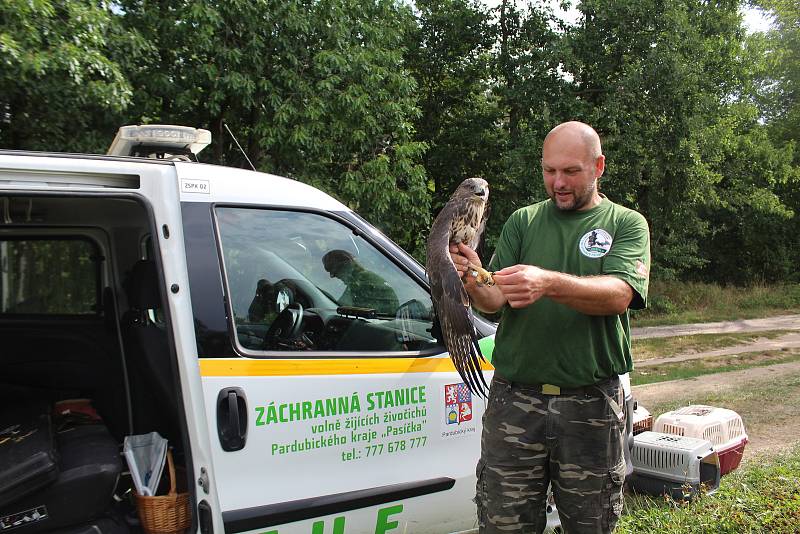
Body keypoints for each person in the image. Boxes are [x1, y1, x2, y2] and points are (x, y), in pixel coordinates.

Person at [451, 121, 651, 533]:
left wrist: (547, 282)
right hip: (515, 403)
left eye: (570, 172)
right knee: (503, 523)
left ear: (599, 167)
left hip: (591, 405)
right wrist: (471, 276)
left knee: (590, 524)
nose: (557, 182)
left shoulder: (626, 223)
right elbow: (494, 300)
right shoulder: (523, 221)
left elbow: (619, 295)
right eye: (549, 170)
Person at [322, 250, 399, 315]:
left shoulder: (362, 282)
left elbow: (346, 309)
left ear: (346, 265)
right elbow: (339, 307)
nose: (333, 276)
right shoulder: (357, 281)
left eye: (335, 271)